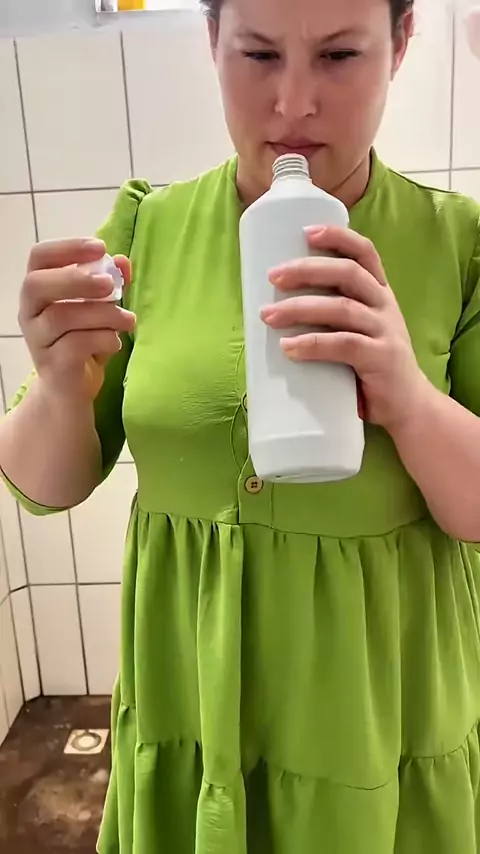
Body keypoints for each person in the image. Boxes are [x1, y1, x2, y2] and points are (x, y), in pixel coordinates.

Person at [1, 0, 480, 850]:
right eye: (258, 54)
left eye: (339, 56)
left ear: (401, 42)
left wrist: (407, 397)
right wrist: (60, 387)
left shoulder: (457, 244)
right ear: (213, 40)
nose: (293, 103)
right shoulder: (149, 229)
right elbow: (44, 486)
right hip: (191, 711)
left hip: (378, 723)